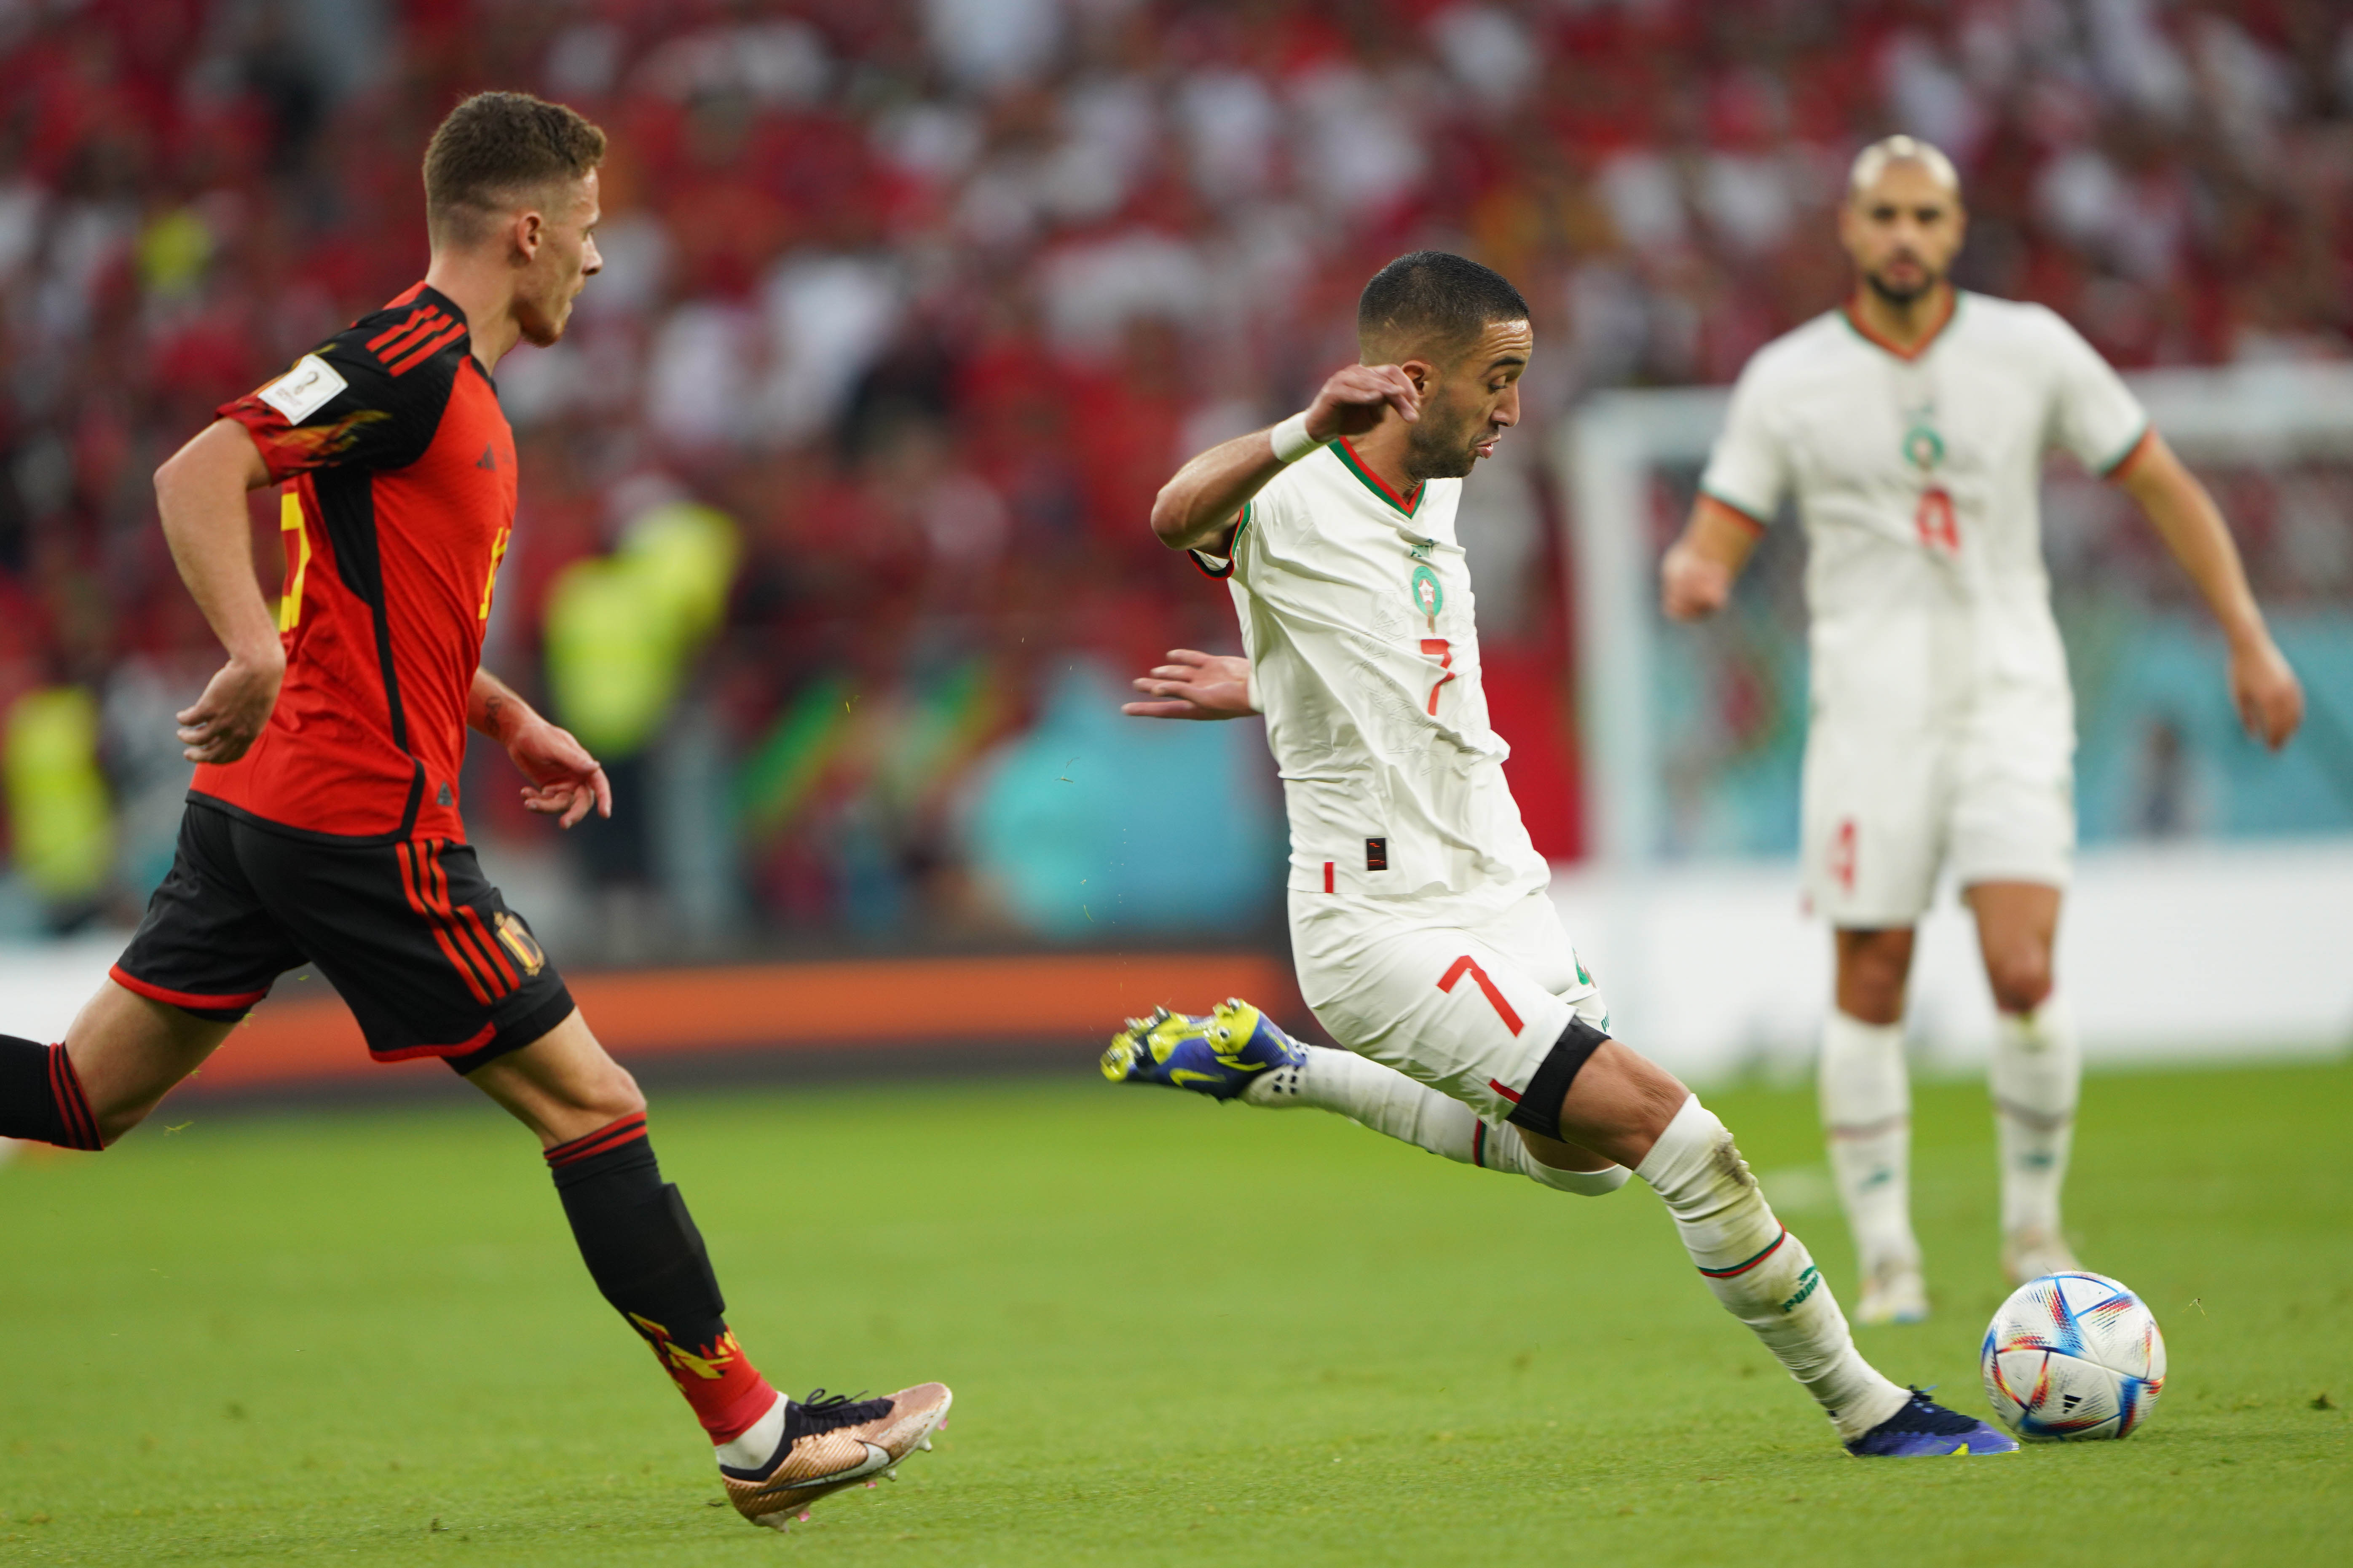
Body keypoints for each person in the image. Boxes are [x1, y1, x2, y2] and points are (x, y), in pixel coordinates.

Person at [0, 91, 946, 1531]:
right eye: (587, 229)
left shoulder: (435, 382)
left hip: (263, 811)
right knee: (595, 1103)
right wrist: (249, 647)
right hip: (360, 821)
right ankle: (760, 1438)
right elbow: (198, 473)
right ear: (526, 229)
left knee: (79, 1100)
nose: (598, 261)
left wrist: (504, 714)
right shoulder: (406, 356)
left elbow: (383, 599)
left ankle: (759, 1435)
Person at [1104, 249, 2012, 1458]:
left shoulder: (1437, 484)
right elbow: (1175, 516)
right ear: (1413, 383)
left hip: (1503, 888)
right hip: (1381, 925)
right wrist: (1301, 426)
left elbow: (1389, 654)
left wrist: (1270, 679)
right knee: (1679, 1138)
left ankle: (1285, 1069)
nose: (1516, 411)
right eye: (1502, 380)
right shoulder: (1291, 494)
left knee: (1583, 1166)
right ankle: (1874, 1408)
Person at [1659, 137, 2304, 1322]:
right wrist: (1696, 570)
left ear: (1955, 232)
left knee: (2022, 965)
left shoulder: (2034, 347)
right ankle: (1891, 1256)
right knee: (1874, 970)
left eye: (1927, 216)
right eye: (1885, 215)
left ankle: (2035, 1225)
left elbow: (2159, 478)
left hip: (2011, 692)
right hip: (1867, 712)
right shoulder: (1787, 380)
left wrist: (2247, 633)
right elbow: (1719, 529)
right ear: (1850, 231)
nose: (1906, 235)